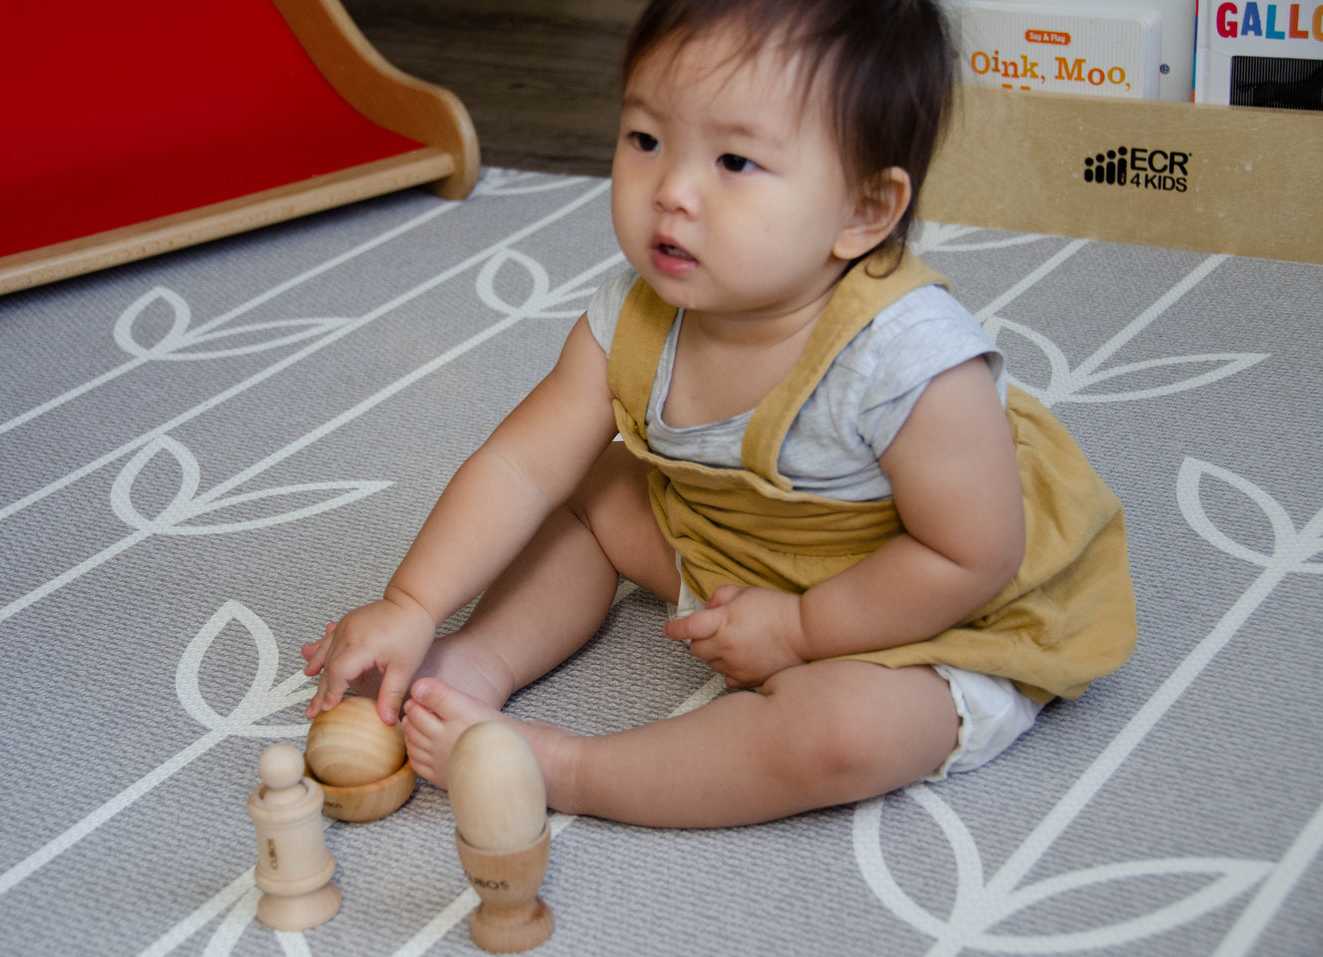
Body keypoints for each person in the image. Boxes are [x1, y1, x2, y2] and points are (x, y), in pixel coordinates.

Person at [301, 0, 1136, 828]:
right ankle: (470, 665)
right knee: (591, 486)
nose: (672, 192)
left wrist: (803, 629)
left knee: (842, 731)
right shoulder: (633, 313)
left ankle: (569, 767)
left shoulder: (907, 361)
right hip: (732, 543)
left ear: (861, 212)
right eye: (645, 140)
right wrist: (412, 602)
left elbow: (970, 556)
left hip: (920, 599)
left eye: (734, 161)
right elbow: (519, 467)